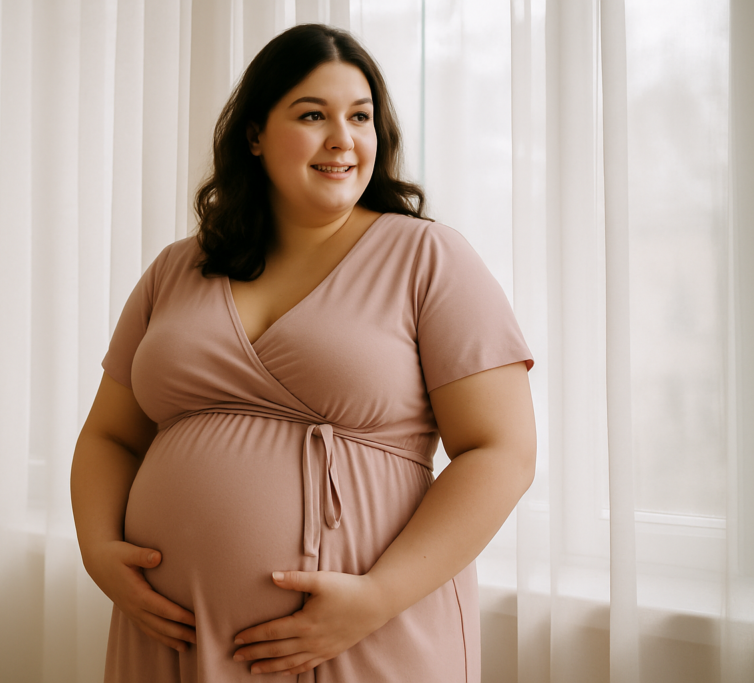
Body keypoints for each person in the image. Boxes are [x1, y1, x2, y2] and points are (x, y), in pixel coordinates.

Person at [70, 23, 535, 682]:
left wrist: (376, 598)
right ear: (254, 135)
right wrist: (98, 549)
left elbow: (502, 451)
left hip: (365, 630)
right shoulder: (177, 269)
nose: (343, 138)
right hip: (173, 635)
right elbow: (109, 436)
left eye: (360, 116)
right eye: (313, 115)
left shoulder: (429, 257)